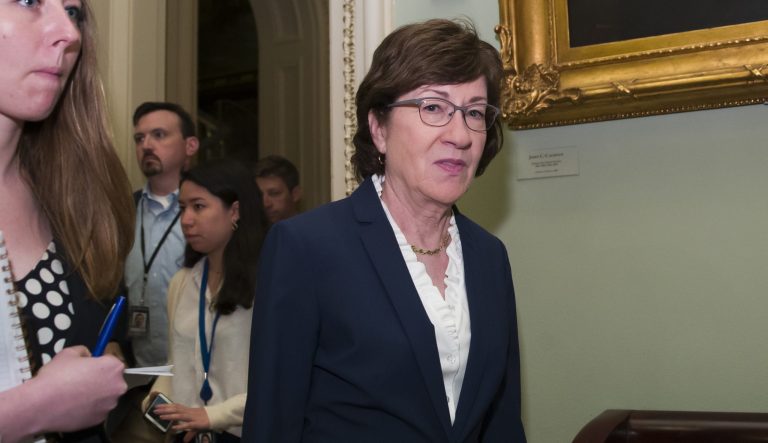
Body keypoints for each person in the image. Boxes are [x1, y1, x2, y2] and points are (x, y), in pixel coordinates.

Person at [242, 19, 526, 442]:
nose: (460, 134)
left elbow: (501, 423)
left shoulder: (489, 256)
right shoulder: (306, 248)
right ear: (378, 128)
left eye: (474, 112)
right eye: (433, 107)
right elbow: (272, 424)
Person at [0, 1, 133, 442]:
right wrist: (32, 410)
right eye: (28, 1)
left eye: (74, 12)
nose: (69, 32)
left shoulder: (77, 199)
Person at [146, 159, 268, 443]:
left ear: (234, 211)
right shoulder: (182, 282)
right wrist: (156, 397)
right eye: (182, 208)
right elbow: (178, 363)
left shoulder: (268, 284)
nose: (186, 219)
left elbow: (280, 382)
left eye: (198, 207)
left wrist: (213, 416)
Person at [110, 102, 199, 443]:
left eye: (159, 135)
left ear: (190, 146)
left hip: (194, 375)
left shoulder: (206, 211)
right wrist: (114, 340)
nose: (146, 145)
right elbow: (106, 285)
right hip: (133, 374)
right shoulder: (119, 210)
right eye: (140, 138)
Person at [253, 155, 302, 223]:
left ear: (295, 194)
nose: (265, 204)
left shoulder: (312, 231)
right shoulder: (250, 232)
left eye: (274, 194)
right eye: (259, 195)